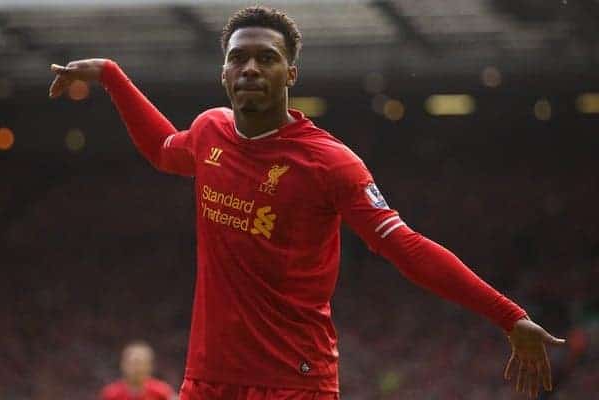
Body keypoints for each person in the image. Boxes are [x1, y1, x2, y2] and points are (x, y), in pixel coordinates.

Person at [49, 6, 565, 400]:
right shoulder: (209, 133)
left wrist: (507, 315)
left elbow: (404, 246)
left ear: (291, 74)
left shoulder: (330, 163)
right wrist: (112, 76)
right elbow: (164, 151)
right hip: (207, 380)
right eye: (238, 58)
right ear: (223, 74)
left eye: (266, 58)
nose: (250, 67)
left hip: (295, 381)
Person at [100, 341, 175, 400]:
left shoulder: (162, 391)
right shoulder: (111, 394)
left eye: (141, 363)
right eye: (133, 363)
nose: (137, 368)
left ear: (150, 366)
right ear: (123, 364)